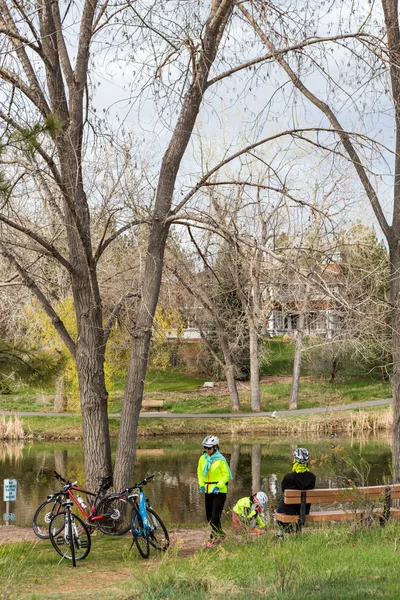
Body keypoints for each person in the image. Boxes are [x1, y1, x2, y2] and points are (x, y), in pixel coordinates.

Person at [197, 435, 232, 547]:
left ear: (215, 447)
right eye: (205, 448)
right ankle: (221, 534)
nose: (207, 450)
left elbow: (226, 475)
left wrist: (219, 485)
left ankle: (214, 538)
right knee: (209, 517)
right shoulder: (203, 459)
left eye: (209, 448)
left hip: (219, 491)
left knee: (215, 517)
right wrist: (201, 485)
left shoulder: (221, 460)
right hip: (208, 490)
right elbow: (199, 473)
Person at [276, 447, 316, 533]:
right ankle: (297, 530)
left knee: (281, 504)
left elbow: (284, 490)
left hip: (290, 510)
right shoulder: (312, 477)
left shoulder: (288, 477)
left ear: (295, 461)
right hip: (305, 510)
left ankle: (287, 530)